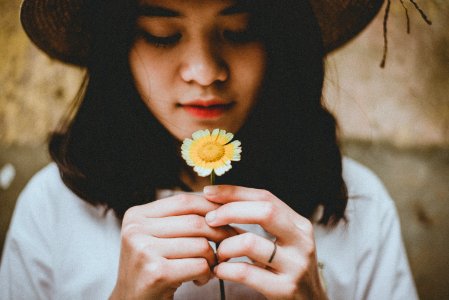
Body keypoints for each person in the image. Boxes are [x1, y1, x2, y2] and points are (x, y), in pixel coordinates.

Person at [0, 0, 419, 299]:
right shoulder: (52, 208)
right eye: (162, 35)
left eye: (239, 30)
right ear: (119, 46)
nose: (204, 72)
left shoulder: (360, 204)